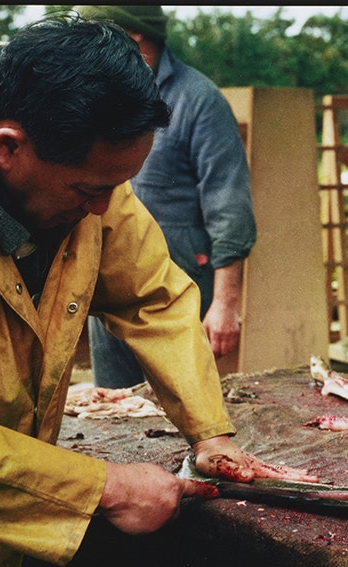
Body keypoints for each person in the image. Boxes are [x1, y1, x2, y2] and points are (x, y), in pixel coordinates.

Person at [0, 16, 312, 567]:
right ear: (8, 148)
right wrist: (108, 487)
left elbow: (156, 296)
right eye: (87, 191)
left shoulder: (77, 158)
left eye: (116, 187)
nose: (103, 210)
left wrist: (210, 433)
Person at [77, 5, 257, 388]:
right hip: (108, 284)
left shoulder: (199, 100)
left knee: (184, 407)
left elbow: (230, 205)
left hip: (177, 290)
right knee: (114, 407)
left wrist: (225, 304)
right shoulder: (99, 96)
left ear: (134, 36)